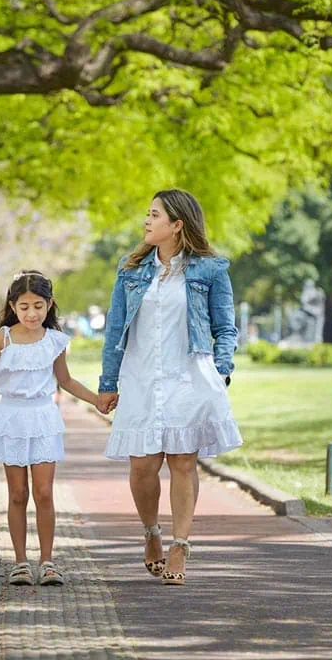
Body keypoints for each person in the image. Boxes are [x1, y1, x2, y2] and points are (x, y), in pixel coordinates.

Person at [99, 189, 242, 586]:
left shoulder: (209, 270)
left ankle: (180, 544)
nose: (146, 221)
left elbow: (225, 327)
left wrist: (221, 370)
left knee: (182, 461)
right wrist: (107, 383)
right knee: (143, 465)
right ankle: (151, 532)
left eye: (154, 215)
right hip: (142, 376)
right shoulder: (130, 273)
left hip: (188, 376)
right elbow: (114, 331)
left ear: (177, 225)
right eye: (147, 214)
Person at [0, 271, 116, 586]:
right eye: (24, 307)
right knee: (18, 493)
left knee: (44, 492)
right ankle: (20, 561)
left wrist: (96, 400)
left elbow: (65, 380)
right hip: (11, 418)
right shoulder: (4, 338)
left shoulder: (55, 341)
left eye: (38, 305)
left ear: (49, 305)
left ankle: (47, 561)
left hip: (43, 418)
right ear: (13, 305)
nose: (32, 313)